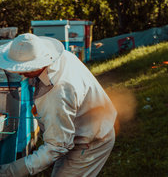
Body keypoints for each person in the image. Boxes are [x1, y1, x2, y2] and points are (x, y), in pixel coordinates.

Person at [0, 33, 117, 177]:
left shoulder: (58, 93)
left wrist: (9, 171)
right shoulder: (60, 58)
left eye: (21, 68)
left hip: (90, 142)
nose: (17, 72)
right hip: (79, 130)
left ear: (33, 67)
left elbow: (56, 147)